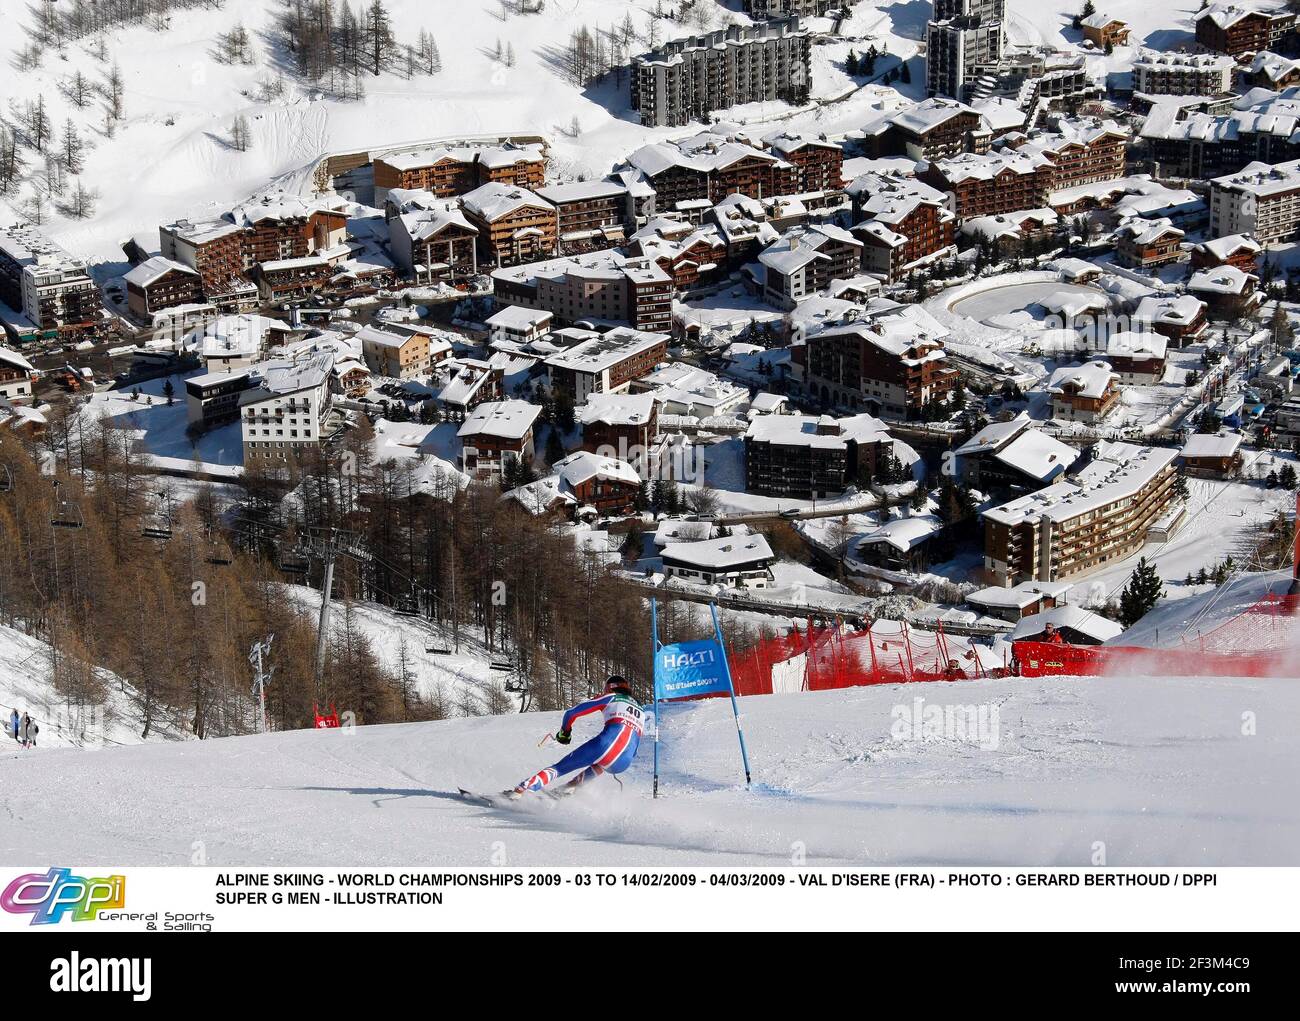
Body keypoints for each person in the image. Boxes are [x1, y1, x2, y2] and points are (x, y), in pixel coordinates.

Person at [510, 676, 643, 796]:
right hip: (624, 761)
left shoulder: (611, 697)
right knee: (601, 764)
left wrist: (565, 734)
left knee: (559, 768)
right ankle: (570, 787)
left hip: (605, 745)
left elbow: (571, 713)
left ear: (610, 688)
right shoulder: (641, 711)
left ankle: (521, 791)